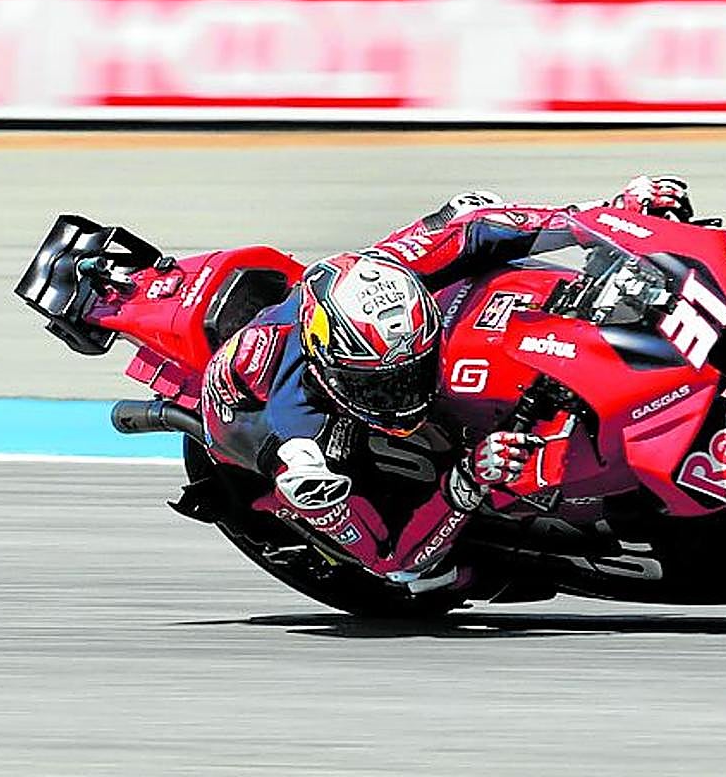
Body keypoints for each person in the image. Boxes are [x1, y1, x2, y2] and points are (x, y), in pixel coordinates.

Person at [199, 176, 692, 593]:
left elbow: (476, 225)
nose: (405, 396)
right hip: (248, 424)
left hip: (363, 325)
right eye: (386, 388)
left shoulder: (392, 266)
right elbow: (393, 558)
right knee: (416, 575)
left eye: (413, 372)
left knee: (474, 219)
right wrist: (468, 479)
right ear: (333, 374)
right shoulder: (297, 433)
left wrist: (606, 217)